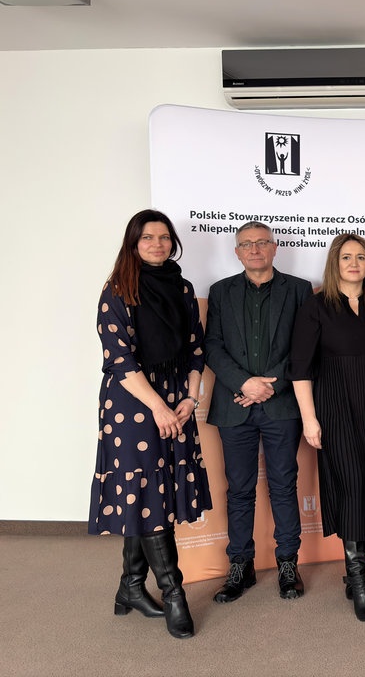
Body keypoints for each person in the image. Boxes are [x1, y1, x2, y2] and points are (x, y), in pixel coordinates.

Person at [89, 208, 212, 640]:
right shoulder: (117, 289)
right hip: (133, 401)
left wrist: (190, 398)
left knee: (151, 492)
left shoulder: (182, 287)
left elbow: (196, 347)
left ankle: (130, 586)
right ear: (133, 243)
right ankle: (174, 594)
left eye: (163, 237)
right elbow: (119, 359)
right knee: (146, 492)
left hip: (178, 397)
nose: (157, 244)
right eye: (147, 238)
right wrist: (159, 407)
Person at [289, 233, 365, 622]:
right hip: (335, 409)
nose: (354, 263)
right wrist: (309, 418)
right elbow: (300, 369)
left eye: (361, 257)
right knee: (352, 485)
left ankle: (352, 570)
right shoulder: (316, 306)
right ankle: (359, 580)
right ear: (334, 263)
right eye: (346, 257)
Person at [205, 221, 313, 604]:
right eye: (246, 244)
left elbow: (304, 347)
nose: (254, 249)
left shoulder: (299, 290)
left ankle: (288, 563)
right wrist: (245, 383)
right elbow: (212, 346)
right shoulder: (221, 292)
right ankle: (241, 564)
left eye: (261, 242)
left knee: (283, 485)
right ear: (237, 252)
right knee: (239, 489)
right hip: (235, 405)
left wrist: (269, 386)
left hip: (281, 405)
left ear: (274, 247)